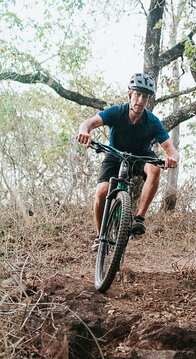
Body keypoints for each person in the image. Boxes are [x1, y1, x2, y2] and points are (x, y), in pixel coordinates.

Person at [77, 73, 180, 242]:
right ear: (129, 94)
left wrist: (173, 158)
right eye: (137, 94)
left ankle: (139, 218)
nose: (140, 100)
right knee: (102, 192)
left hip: (140, 156)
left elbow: (172, 150)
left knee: (155, 168)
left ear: (148, 100)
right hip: (115, 154)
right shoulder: (117, 112)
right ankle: (100, 235)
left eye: (145, 97)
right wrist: (84, 131)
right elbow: (88, 123)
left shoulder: (153, 122)